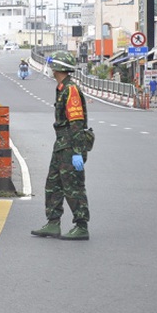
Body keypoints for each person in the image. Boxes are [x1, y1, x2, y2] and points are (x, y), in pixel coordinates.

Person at [31, 51, 91, 241]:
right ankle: (53, 223)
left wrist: (77, 152)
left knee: (73, 187)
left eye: (51, 64)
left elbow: (77, 123)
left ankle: (81, 226)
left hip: (70, 147)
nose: (49, 67)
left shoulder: (71, 90)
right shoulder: (62, 88)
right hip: (61, 146)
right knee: (53, 185)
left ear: (58, 67)